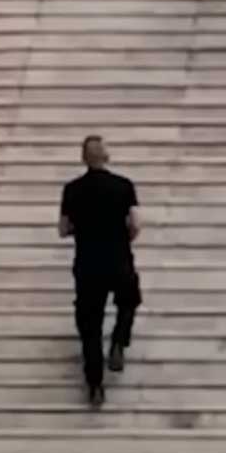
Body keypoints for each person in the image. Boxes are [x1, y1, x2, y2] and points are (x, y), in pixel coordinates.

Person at [58, 135, 142, 408]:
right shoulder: (123, 186)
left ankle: (95, 386)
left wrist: (80, 229)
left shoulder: (72, 189)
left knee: (90, 325)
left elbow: (62, 229)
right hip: (118, 259)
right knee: (129, 300)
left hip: (87, 264)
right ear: (106, 157)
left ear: (83, 159)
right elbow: (136, 225)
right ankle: (119, 341)